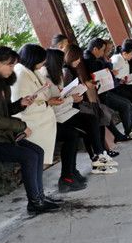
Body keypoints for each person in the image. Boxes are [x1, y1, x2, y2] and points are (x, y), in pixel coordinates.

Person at [0, 46, 62, 214]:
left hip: (4, 136)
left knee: (37, 152)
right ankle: (35, 203)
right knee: (29, 156)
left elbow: (5, 111)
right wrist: (22, 126)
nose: (12, 69)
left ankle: (39, 197)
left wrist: (20, 104)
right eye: (9, 65)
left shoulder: (2, 85)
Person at [11, 44, 84, 192]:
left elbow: (37, 97)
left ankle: (64, 178)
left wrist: (50, 100)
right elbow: (24, 106)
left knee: (72, 135)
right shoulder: (21, 75)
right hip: (33, 124)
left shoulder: (31, 71)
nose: (43, 64)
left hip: (45, 119)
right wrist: (48, 102)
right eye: (41, 61)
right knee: (37, 158)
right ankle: (41, 195)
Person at [41, 49, 118, 175]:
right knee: (86, 125)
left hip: (67, 110)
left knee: (93, 119)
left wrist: (72, 94)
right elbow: (54, 102)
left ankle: (99, 155)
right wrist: (71, 97)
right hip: (59, 115)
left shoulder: (56, 74)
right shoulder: (46, 77)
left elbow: (60, 96)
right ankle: (97, 157)